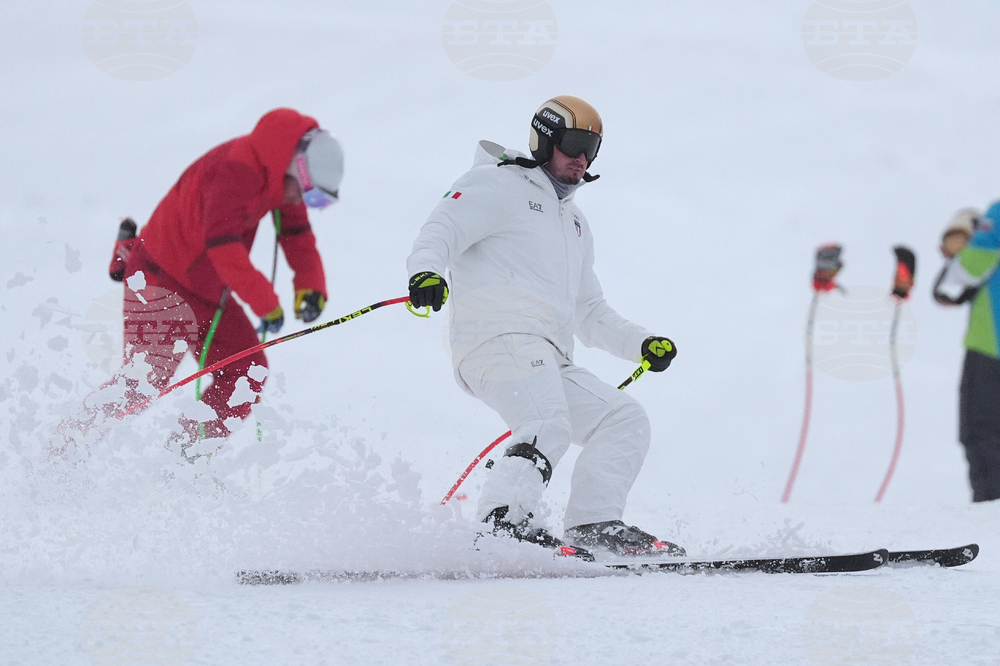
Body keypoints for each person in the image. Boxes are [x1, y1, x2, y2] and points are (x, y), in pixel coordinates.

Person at [406, 95, 682, 560]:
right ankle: (502, 524)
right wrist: (424, 272)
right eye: (573, 142)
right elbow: (441, 229)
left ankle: (594, 524)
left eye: (591, 148)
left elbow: (589, 311)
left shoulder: (573, 223)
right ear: (545, 140)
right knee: (545, 421)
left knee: (622, 419)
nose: (581, 157)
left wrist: (641, 344)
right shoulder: (496, 184)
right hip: (496, 340)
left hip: (549, 355)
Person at [109, 108, 342, 443]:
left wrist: (311, 286)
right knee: (143, 382)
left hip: (207, 288)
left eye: (315, 199)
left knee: (247, 372)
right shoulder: (234, 171)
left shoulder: (281, 179)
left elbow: (297, 233)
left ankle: (185, 457)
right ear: (293, 169)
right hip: (161, 278)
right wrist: (267, 304)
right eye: (308, 193)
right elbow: (223, 246)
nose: (301, 201)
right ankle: (65, 450)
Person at [934, 204, 1000, 502]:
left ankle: (990, 515)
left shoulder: (997, 215)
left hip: (991, 348)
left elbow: (968, 268)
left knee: (981, 433)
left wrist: (960, 251)